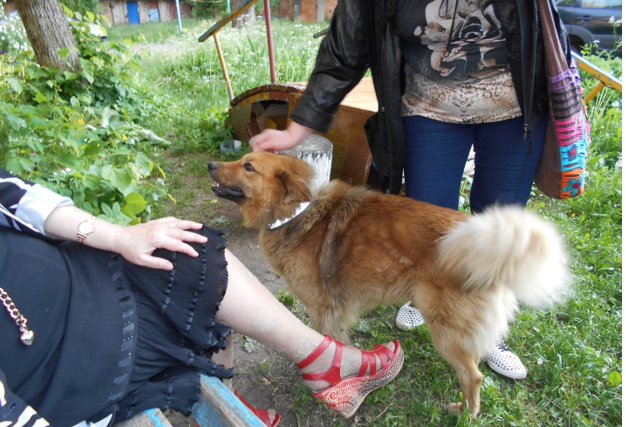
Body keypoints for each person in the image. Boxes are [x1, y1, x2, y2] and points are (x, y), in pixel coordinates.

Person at [250, 0, 572, 381]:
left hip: (514, 107)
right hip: (429, 108)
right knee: (425, 220)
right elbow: (345, 47)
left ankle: (487, 331)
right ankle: (426, 293)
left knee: (495, 229)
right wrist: (298, 128)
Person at [0, 167, 404, 427]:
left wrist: (117, 236)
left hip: (81, 273)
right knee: (182, 298)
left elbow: (13, 195)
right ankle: (323, 366)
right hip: (57, 365)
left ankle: (320, 359)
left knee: (184, 248)